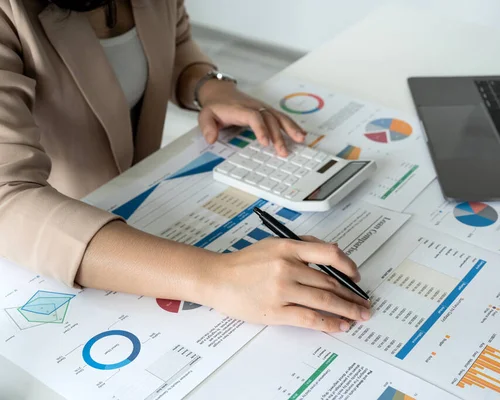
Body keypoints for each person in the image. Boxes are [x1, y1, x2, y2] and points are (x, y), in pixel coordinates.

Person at [0, 0, 371, 333]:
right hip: (58, 232)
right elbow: (8, 199)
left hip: (146, 200)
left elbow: (173, 45)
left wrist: (209, 86)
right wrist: (216, 276)